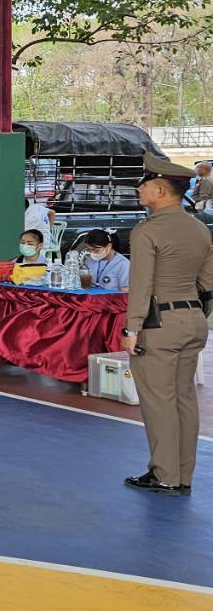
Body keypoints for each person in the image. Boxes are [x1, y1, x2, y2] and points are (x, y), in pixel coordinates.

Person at [120, 155, 213, 495]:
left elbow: (141, 285)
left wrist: (132, 329)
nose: (139, 190)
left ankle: (165, 475)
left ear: (160, 189)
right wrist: (197, 316)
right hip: (193, 320)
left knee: (159, 401)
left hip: (159, 324)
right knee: (184, 398)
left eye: (143, 185)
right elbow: (208, 282)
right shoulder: (199, 228)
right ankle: (183, 475)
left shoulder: (147, 230)